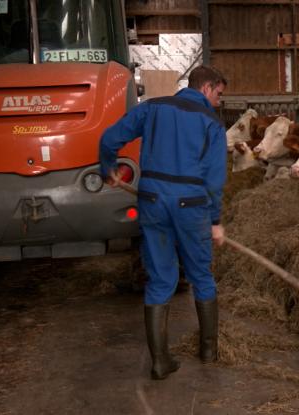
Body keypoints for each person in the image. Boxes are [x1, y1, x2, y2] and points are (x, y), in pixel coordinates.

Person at [99, 65, 228, 380]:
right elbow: (213, 179)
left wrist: (108, 169)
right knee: (201, 276)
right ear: (207, 88)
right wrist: (215, 220)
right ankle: (209, 351)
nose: (219, 102)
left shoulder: (152, 107)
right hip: (192, 206)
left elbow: (109, 138)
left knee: (159, 280)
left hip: (153, 201)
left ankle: (160, 361)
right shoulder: (211, 123)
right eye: (219, 94)